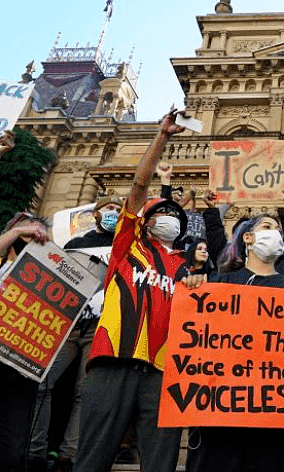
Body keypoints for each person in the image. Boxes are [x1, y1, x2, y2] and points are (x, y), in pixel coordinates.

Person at [73, 109, 189, 472]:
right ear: (146, 221)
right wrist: (163, 137)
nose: (168, 218)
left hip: (163, 372)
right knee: (93, 458)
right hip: (113, 360)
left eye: (175, 215)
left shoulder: (185, 267)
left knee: (161, 461)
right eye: (160, 213)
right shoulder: (128, 245)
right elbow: (139, 186)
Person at [182, 213, 284, 472]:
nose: (275, 233)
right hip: (221, 411)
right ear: (248, 238)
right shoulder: (218, 284)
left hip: (273, 416)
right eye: (267, 227)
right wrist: (192, 287)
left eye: (279, 231)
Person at [29, 195, 124, 472]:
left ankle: (70, 454)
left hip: (100, 326)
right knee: (43, 381)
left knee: (86, 392)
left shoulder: (125, 246)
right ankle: (35, 449)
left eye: (119, 210)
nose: (114, 213)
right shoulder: (74, 244)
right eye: (109, 209)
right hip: (67, 323)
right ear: (95, 214)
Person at [0, 212, 50, 472]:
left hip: (21, 372)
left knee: (12, 450)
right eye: (27, 230)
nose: (33, 234)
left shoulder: (48, 275)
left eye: (38, 231)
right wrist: (17, 233)